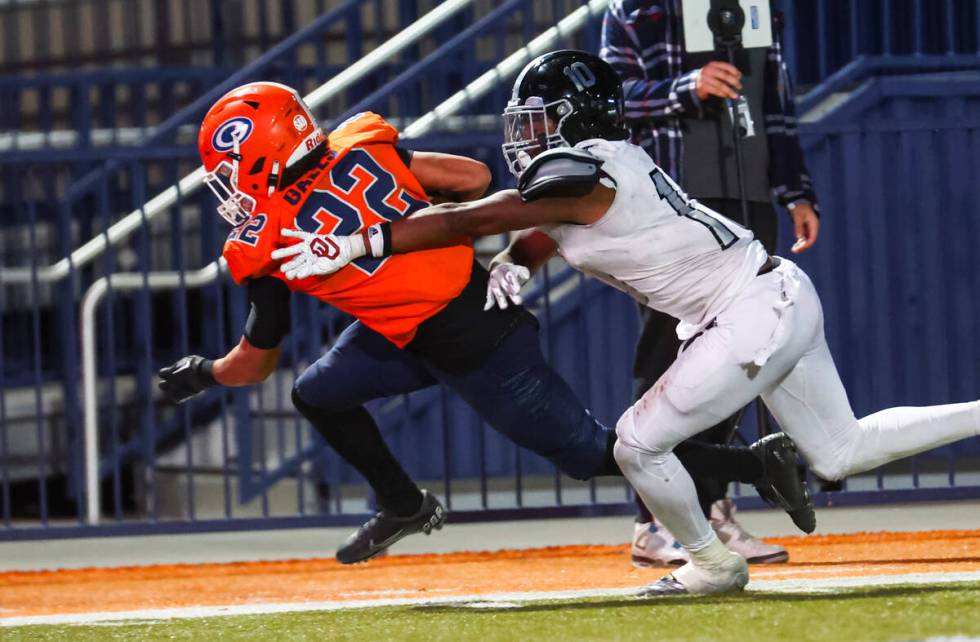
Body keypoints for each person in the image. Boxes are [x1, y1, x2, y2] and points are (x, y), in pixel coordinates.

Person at [275, 50, 980, 596]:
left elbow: (479, 215)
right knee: (841, 452)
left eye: (542, 119)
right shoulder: (601, 164)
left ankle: (710, 565)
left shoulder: (581, 173)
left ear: (576, 118)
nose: (530, 134)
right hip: (773, 295)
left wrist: (369, 241)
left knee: (638, 444)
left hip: (748, 311)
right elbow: (546, 223)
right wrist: (521, 260)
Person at [157, 80, 810, 566]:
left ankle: (754, 466)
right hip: (422, 321)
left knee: (589, 451)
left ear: (260, 153)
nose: (228, 184)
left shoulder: (261, 242)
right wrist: (391, 204)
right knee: (318, 392)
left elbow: (256, 361)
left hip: (473, 340)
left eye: (228, 168)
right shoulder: (360, 144)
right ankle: (403, 503)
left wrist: (203, 373)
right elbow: (471, 178)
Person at [599, 0, 821, 566]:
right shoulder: (632, 11)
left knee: (742, 360)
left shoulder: (756, 7)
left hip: (746, 200)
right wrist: (684, 86)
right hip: (670, 206)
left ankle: (713, 509)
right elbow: (607, 105)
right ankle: (654, 522)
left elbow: (775, 101)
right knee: (664, 359)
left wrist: (795, 189)